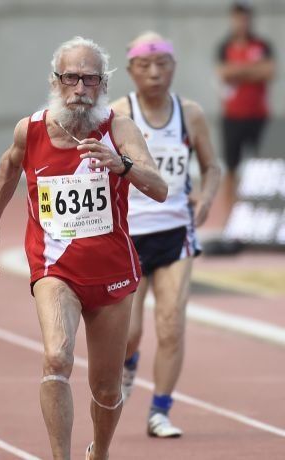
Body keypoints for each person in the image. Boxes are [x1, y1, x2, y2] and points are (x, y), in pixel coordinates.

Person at [0, 37, 167, 460]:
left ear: (103, 84)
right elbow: (8, 167)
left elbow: (159, 188)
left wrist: (122, 164)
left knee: (106, 387)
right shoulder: (31, 129)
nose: (80, 88)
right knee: (56, 358)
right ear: (55, 81)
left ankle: (99, 452)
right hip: (55, 268)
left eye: (90, 79)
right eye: (70, 78)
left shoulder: (119, 129)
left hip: (112, 272)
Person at [111, 32, 222, 438]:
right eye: (145, 66)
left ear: (174, 67)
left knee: (172, 324)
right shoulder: (118, 113)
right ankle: (128, 362)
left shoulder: (189, 114)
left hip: (176, 232)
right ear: (131, 71)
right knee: (130, 332)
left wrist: (206, 198)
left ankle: (160, 410)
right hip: (130, 236)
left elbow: (212, 167)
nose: (155, 73)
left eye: (162, 65)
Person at [212, 1, 275, 253]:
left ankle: (261, 222)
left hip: (258, 117)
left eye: (245, 18)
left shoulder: (262, 46)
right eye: (237, 18)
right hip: (233, 117)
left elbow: (268, 72)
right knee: (232, 170)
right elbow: (223, 73)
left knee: (262, 171)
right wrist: (251, 71)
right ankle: (231, 224)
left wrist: (239, 71)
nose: (241, 23)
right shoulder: (225, 46)